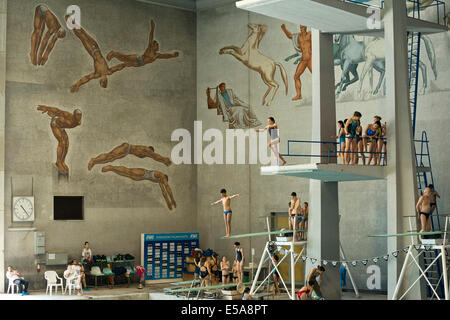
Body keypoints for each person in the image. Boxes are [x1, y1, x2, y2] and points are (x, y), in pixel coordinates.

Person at [65, 14, 125, 92]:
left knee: (81, 36)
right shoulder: (108, 71)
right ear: (103, 81)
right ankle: (72, 21)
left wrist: (77, 84)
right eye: (102, 82)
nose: (103, 79)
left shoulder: (99, 74)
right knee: (84, 33)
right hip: (96, 48)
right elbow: (120, 67)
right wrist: (127, 63)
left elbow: (87, 78)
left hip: (92, 51)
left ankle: (70, 22)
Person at [106, 20, 179, 71]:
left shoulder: (157, 55)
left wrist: (173, 55)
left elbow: (165, 56)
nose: (158, 47)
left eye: (158, 45)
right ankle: (113, 53)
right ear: (153, 46)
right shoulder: (150, 48)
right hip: (138, 58)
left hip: (141, 63)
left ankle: (111, 67)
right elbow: (151, 37)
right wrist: (153, 28)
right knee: (125, 57)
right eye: (156, 45)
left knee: (125, 64)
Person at [101, 165, 176, 210]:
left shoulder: (159, 181)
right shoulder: (162, 175)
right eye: (164, 181)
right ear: (165, 178)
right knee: (128, 171)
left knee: (126, 175)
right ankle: (111, 167)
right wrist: (172, 200)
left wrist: (168, 203)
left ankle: (112, 169)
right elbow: (167, 187)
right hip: (143, 172)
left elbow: (164, 192)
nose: (164, 183)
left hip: (142, 177)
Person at [37, 105, 82, 174]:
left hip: (61, 127)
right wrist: (46, 108)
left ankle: (62, 161)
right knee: (62, 142)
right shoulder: (68, 116)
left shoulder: (78, 122)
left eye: (80, 115)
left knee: (67, 144)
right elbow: (58, 111)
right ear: (74, 115)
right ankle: (58, 162)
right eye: (78, 115)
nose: (79, 117)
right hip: (55, 124)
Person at [281, 24, 312, 101]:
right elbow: (290, 36)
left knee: (317, 76)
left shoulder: (310, 34)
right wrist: (284, 28)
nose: (302, 29)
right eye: (301, 27)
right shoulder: (298, 37)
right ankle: (299, 95)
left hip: (311, 58)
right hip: (304, 60)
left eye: (303, 27)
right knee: (296, 76)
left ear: (306, 27)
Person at [88, 143, 172, 170]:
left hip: (126, 152)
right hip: (126, 148)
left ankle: (95, 162)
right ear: (150, 150)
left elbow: (154, 157)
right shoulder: (146, 150)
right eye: (151, 153)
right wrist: (165, 160)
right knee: (110, 156)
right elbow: (156, 156)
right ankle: (93, 160)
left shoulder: (146, 153)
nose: (149, 155)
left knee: (110, 159)